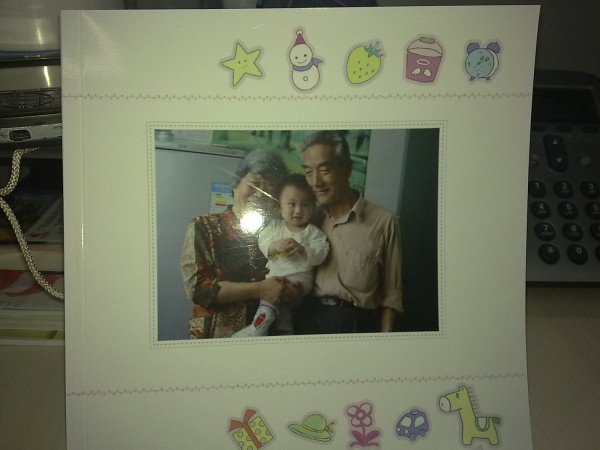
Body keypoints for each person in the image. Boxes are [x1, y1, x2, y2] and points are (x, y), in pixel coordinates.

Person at [181, 149, 302, 339]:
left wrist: (293, 291)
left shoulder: (281, 233)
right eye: (254, 184)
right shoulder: (204, 226)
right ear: (236, 184)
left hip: (270, 339)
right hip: (215, 338)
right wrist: (260, 289)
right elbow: (199, 289)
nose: (260, 194)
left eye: (270, 189)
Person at [296, 130, 402, 334]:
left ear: (347, 168)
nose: (316, 182)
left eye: (324, 170)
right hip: (310, 319)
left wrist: (385, 341)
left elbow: (392, 295)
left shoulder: (384, 221)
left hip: (357, 324)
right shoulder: (310, 219)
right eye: (308, 172)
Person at [232, 174, 329, 337]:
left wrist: (304, 250)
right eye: (291, 204)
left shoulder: (314, 233)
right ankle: (268, 329)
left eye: (305, 205)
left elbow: (322, 253)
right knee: (272, 308)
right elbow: (262, 241)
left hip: (299, 281)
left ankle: (267, 331)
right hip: (275, 279)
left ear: (313, 207)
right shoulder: (275, 227)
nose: (298, 210)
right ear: (279, 206)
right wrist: (274, 246)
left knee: (280, 309)